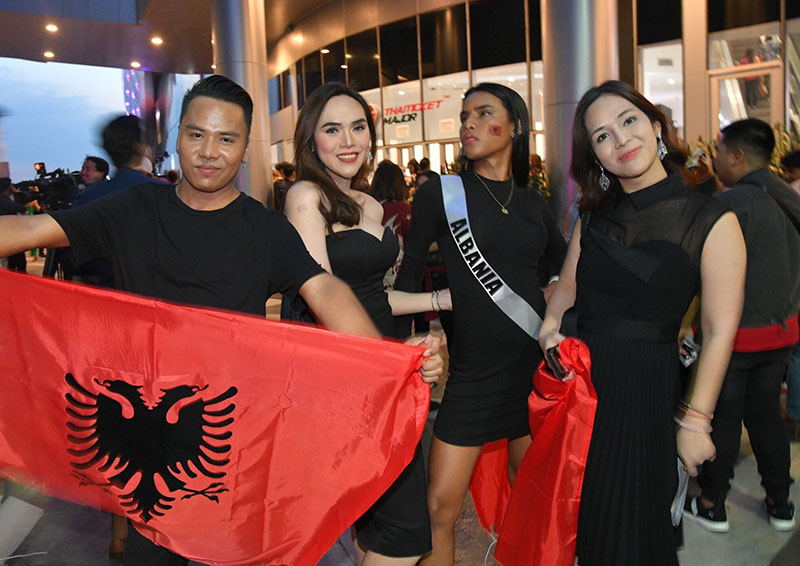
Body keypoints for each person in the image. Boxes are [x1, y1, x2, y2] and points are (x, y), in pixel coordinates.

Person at [0, 74, 443, 566]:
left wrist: (381, 359)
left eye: (226, 138)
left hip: (231, 447)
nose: (209, 151)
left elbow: (324, 288)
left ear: (244, 148)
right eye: (197, 134)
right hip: (145, 455)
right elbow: (30, 227)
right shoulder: (134, 208)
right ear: (176, 139)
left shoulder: (266, 230)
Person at [538, 80, 746, 566]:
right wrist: (550, 325)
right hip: (584, 390)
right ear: (595, 155)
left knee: (635, 528)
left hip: (646, 390)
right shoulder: (591, 216)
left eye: (628, 121)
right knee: (584, 525)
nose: (620, 139)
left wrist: (696, 421)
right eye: (602, 136)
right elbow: (567, 285)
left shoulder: (711, 218)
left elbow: (719, 331)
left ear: (656, 127)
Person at [395, 82, 568, 566]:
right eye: (464, 115)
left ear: (513, 126)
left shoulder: (533, 203)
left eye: (482, 114)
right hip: (471, 377)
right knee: (438, 509)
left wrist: (550, 307)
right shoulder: (441, 195)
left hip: (531, 374)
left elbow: (560, 268)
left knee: (531, 496)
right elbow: (409, 276)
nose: (468, 124)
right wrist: (418, 331)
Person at [284, 82, 450, 566]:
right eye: (332, 129)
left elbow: (376, 297)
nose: (348, 140)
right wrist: (391, 360)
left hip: (385, 365)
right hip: (342, 375)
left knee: (379, 517)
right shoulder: (305, 196)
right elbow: (322, 294)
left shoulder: (370, 205)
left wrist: (441, 299)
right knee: (401, 525)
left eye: (357, 127)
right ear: (310, 139)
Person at [687, 118, 800, 532]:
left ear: (736, 156)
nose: (714, 158)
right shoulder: (786, 193)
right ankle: (781, 502)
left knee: (723, 417)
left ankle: (713, 504)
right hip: (782, 330)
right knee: (767, 415)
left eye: (718, 151)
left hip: (735, 335)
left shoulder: (732, 205)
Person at [370, 160, 411, 291]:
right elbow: (414, 243)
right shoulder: (404, 210)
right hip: (398, 275)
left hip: (372, 273)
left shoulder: (367, 206)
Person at [0, 178, 28, 272]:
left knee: (12, 263)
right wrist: (17, 193)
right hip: (10, 235)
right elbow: (21, 208)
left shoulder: (5, 199)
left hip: (9, 235)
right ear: (8, 187)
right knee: (18, 264)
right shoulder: (3, 200)